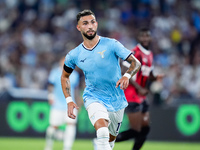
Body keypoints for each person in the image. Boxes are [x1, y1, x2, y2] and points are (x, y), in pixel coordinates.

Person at [60, 9, 141, 150]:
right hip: (93, 96)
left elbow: (136, 63)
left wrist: (126, 76)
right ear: (79, 27)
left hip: (117, 100)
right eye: (85, 23)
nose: (90, 26)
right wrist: (69, 100)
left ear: (96, 24)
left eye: (92, 22)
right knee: (102, 131)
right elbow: (65, 76)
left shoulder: (112, 44)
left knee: (109, 142)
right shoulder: (74, 55)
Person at [115, 28, 163, 150]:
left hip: (142, 96)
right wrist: (139, 88)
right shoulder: (134, 53)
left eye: (147, 36)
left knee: (145, 129)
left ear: (150, 38)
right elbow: (123, 70)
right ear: (139, 38)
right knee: (136, 130)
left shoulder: (150, 54)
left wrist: (156, 77)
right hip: (131, 94)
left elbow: (149, 74)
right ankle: (104, 140)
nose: (145, 38)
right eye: (143, 36)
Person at [44, 57, 80, 150]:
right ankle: (49, 146)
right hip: (58, 104)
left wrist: (78, 102)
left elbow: (76, 90)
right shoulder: (55, 73)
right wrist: (50, 96)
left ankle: (67, 147)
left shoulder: (75, 75)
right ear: (60, 62)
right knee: (53, 127)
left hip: (71, 105)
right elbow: (51, 85)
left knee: (71, 125)